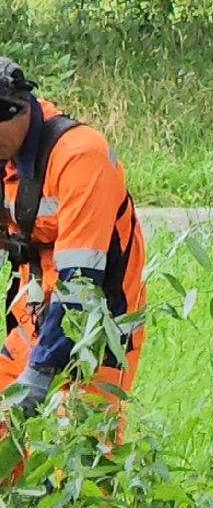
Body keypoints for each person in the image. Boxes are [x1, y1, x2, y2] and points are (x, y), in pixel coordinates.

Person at [0, 58, 146, 436]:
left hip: (102, 322)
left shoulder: (80, 155)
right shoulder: (6, 151)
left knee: (85, 454)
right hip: (37, 310)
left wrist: (42, 370)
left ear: (16, 111)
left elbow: (80, 283)